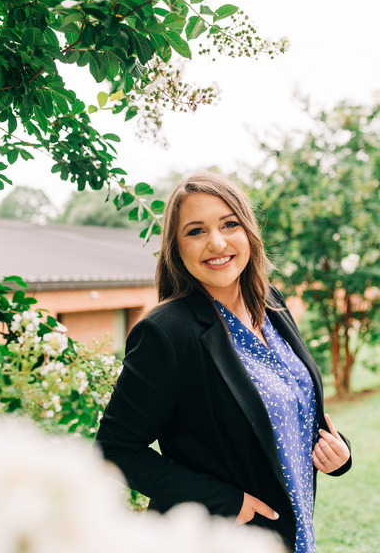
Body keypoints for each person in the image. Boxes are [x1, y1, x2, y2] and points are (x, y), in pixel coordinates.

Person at [95, 172, 351, 553]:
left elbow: (284, 411)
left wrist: (337, 452)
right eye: (196, 231)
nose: (217, 243)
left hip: (293, 534)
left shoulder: (272, 303)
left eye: (229, 224)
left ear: (248, 231)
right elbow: (114, 449)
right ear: (177, 247)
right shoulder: (166, 332)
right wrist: (227, 503)